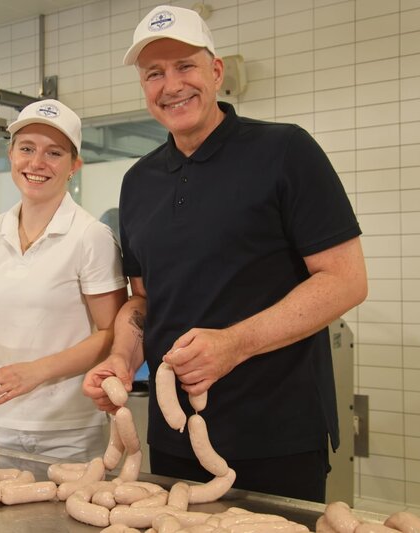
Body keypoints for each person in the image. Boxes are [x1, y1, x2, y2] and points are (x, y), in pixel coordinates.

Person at [82, 5, 367, 503]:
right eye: (154, 74)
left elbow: (346, 280)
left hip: (276, 431)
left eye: (185, 66)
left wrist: (234, 343)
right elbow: (144, 301)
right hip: (174, 436)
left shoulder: (284, 150)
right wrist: (122, 360)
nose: (171, 85)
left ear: (216, 72)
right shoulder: (138, 182)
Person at [0, 99, 128, 462]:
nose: (37, 163)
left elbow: (112, 335)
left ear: (75, 165)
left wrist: (36, 373)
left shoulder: (90, 236)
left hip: (69, 430)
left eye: (54, 153)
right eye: (26, 148)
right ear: (11, 154)